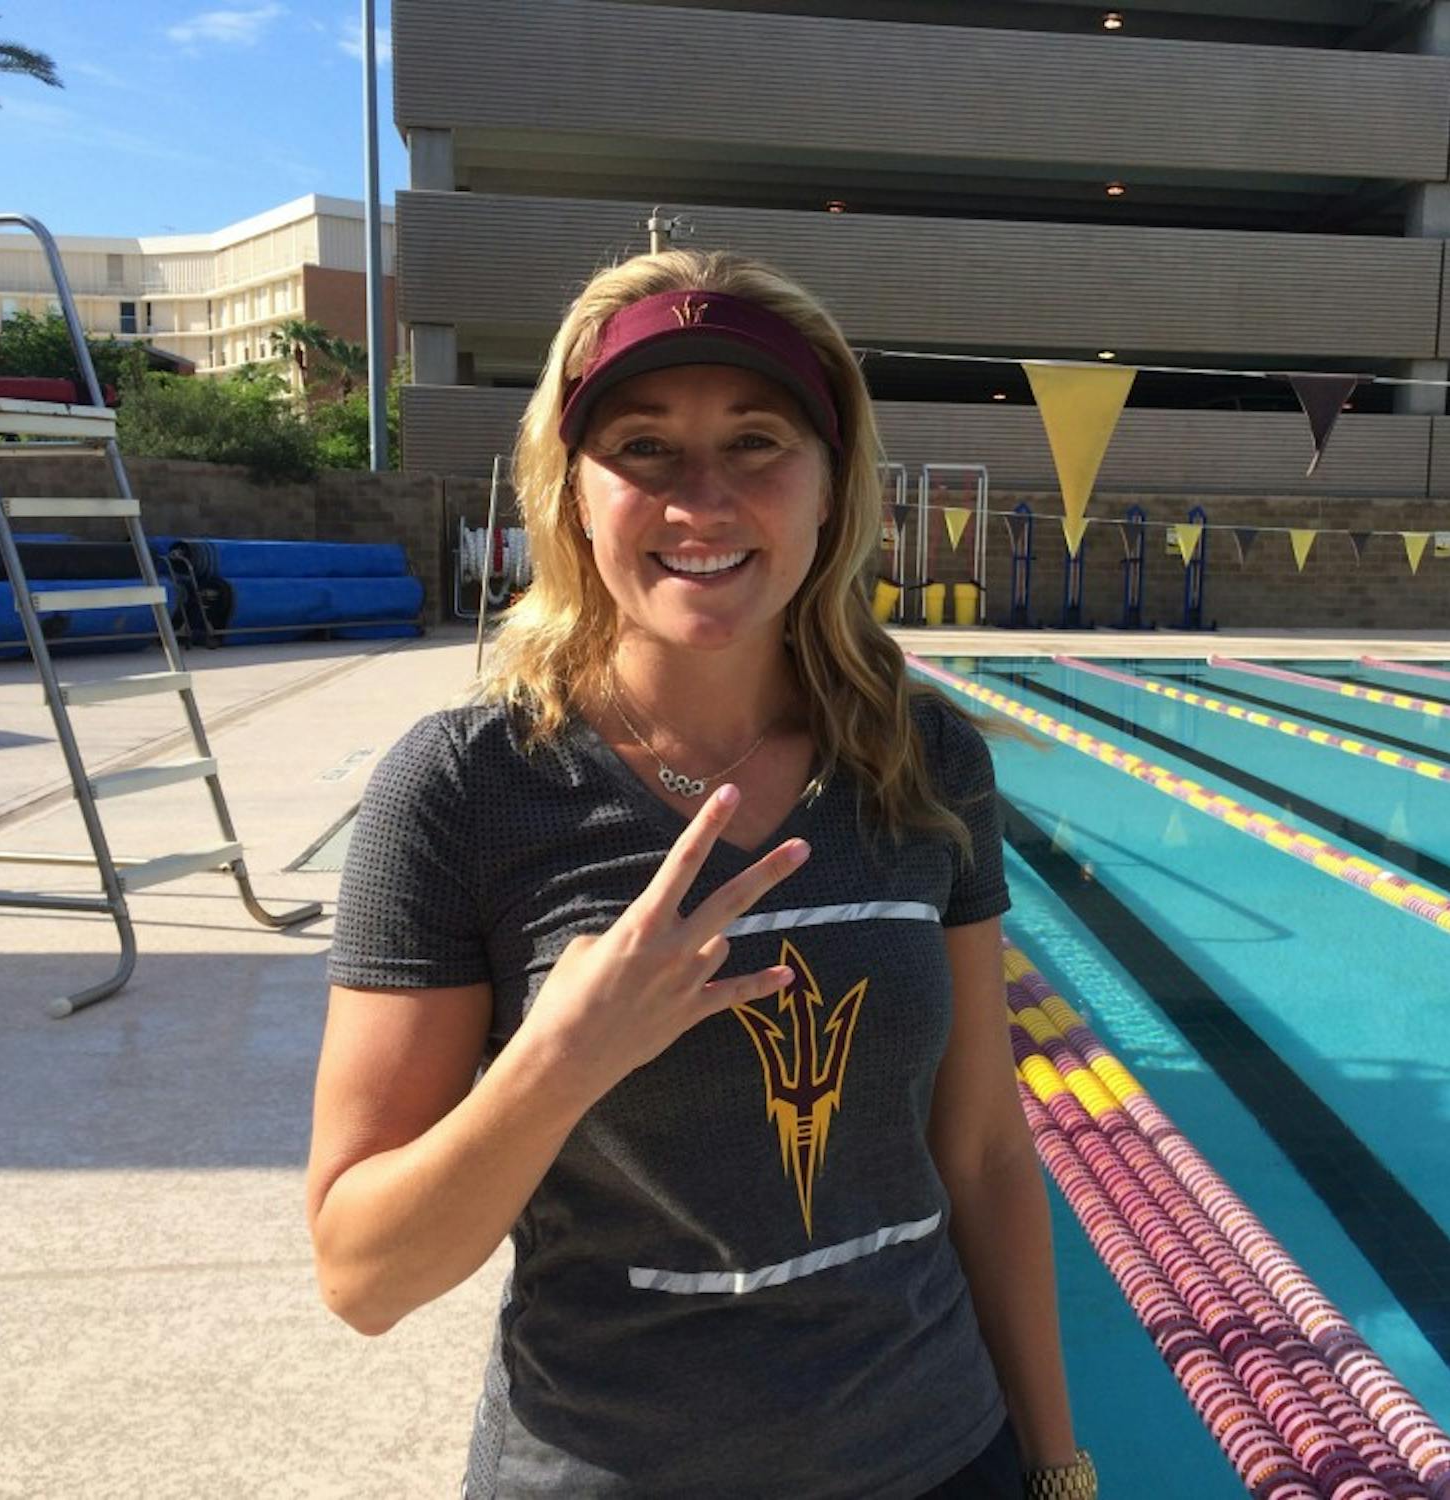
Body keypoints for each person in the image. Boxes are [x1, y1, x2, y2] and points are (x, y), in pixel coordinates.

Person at [307, 248, 1097, 1500]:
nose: (703, 502)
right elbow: (363, 1275)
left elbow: (989, 1150)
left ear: (834, 488)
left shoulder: (918, 754)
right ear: (571, 494)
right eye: (644, 450)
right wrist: (560, 1057)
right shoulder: (465, 788)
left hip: (941, 1457)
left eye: (757, 442)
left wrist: (1055, 1467)